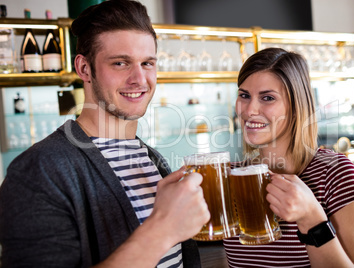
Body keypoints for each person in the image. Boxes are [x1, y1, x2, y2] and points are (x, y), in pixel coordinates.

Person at [0, 0, 210, 267]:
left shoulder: (152, 160)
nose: (139, 78)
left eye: (147, 63)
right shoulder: (36, 172)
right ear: (84, 68)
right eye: (121, 63)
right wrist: (162, 230)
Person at [224, 47, 354, 267]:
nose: (250, 110)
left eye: (267, 98)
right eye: (244, 95)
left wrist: (311, 219)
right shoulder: (233, 177)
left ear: (296, 106)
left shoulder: (334, 173)